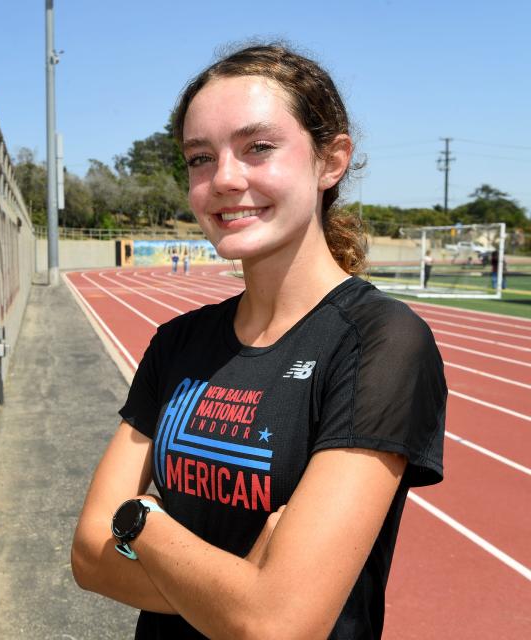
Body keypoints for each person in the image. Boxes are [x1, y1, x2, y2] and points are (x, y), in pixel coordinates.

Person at [71, 44, 447, 640]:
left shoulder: (382, 343)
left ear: (332, 161)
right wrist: (244, 586)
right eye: (200, 157)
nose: (223, 178)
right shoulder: (178, 342)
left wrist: (140, 520)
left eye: (258, 148)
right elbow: (90, 558)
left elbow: (279, 624)